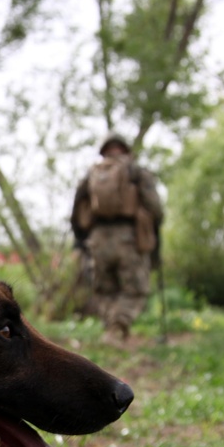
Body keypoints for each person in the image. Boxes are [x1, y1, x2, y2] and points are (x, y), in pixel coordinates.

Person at [70, 132, 163, 342]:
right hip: (128, 238)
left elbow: (77, 208)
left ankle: (111, 329)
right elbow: (155, 208)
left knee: (104, 289)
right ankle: (118, 326)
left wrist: (79, 239)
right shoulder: (136, 172)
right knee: (135, 289)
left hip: (97, 238)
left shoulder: (92, 174)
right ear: (127, 150)